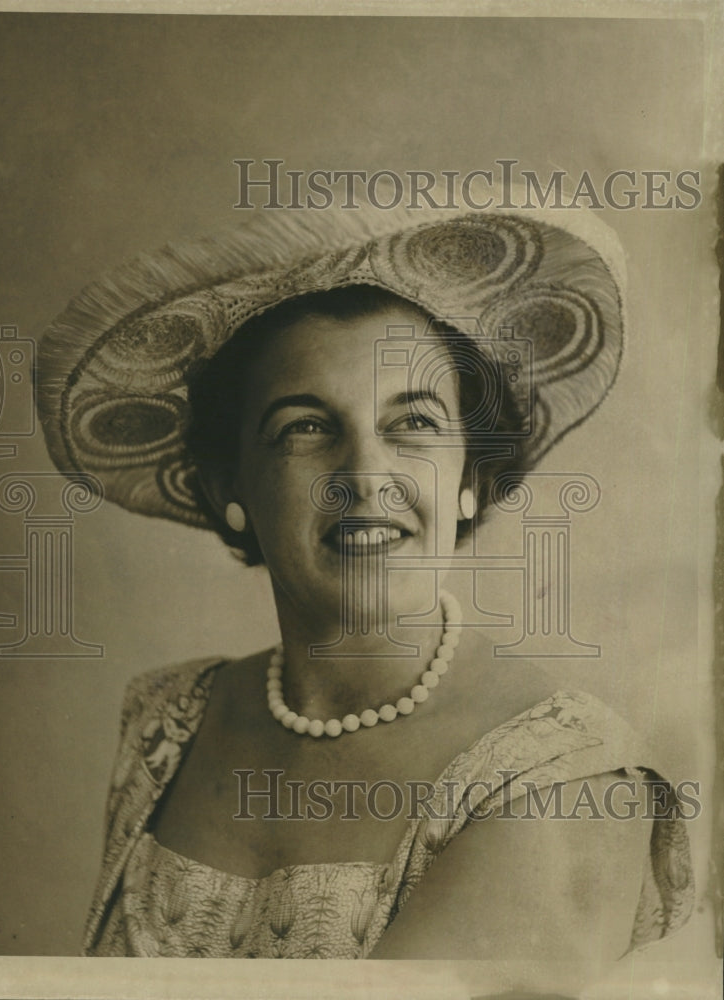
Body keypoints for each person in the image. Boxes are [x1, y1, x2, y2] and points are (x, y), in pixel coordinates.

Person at [36, 205, 694, 988]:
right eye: (304, 429)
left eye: (411, 423)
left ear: (469, 478)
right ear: (228, 486)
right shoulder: (167, 718)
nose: (365, 476)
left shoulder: (565, 779)